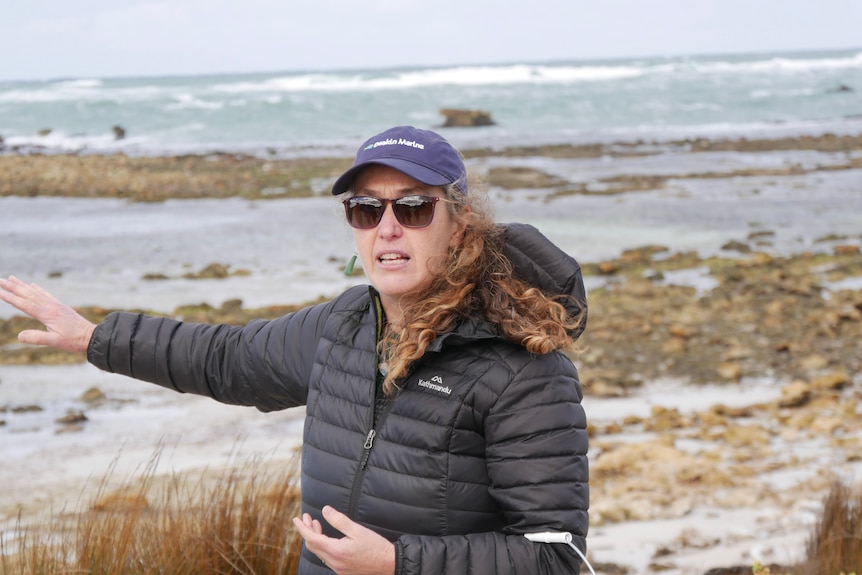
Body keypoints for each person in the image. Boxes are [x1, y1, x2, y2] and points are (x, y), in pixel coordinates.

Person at [0, 125, 589, 575]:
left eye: (412, 208)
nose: (386, 228)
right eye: (365, 208)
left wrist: (399, 563)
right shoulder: (342, 326)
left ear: (458, 225)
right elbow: (227, 359)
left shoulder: (525, 367)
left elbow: (556, 558)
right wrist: (94, 338)